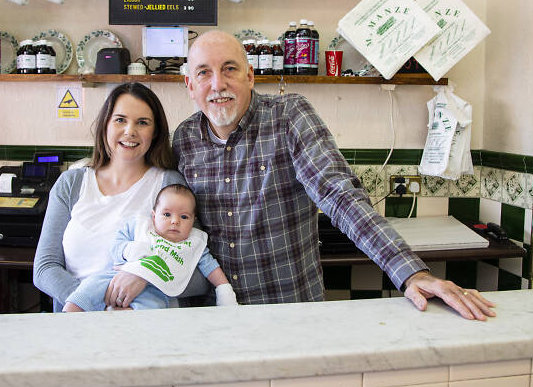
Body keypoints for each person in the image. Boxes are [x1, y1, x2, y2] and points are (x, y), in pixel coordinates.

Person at [172, 30, 496, 321]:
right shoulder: (183, 139)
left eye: (230, 69)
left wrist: (411, 274)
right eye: (204, 73)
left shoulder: (289, 117)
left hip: (291, 312)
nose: (217, 84)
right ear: (190, 85)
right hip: (213, 317)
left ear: (251, 76)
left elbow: (340, 195)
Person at [33, 82, 208, 311]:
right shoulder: (71, 183)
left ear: (155, 132)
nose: (130, 131)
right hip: (77, 325)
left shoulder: (169, 185)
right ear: (105, 124)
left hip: (145, 327)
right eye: (120, 120)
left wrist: (146, 276)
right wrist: (93, 304)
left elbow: (200, 275)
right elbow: (45, 268)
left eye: (142, 122)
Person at [62, 184, 238, 312]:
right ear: (154, 216)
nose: (175, 221)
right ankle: (71, 311)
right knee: (92, 285)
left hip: (157, 289)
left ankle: (120, 317)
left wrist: (224, 290)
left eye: (184, 217)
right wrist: (130, 249)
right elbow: (116, 246)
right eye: (167, 214)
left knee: (154, 309)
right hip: (119, 276)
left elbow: (211, 267)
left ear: (193, 221)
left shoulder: (193, 242)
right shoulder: (141, 226)